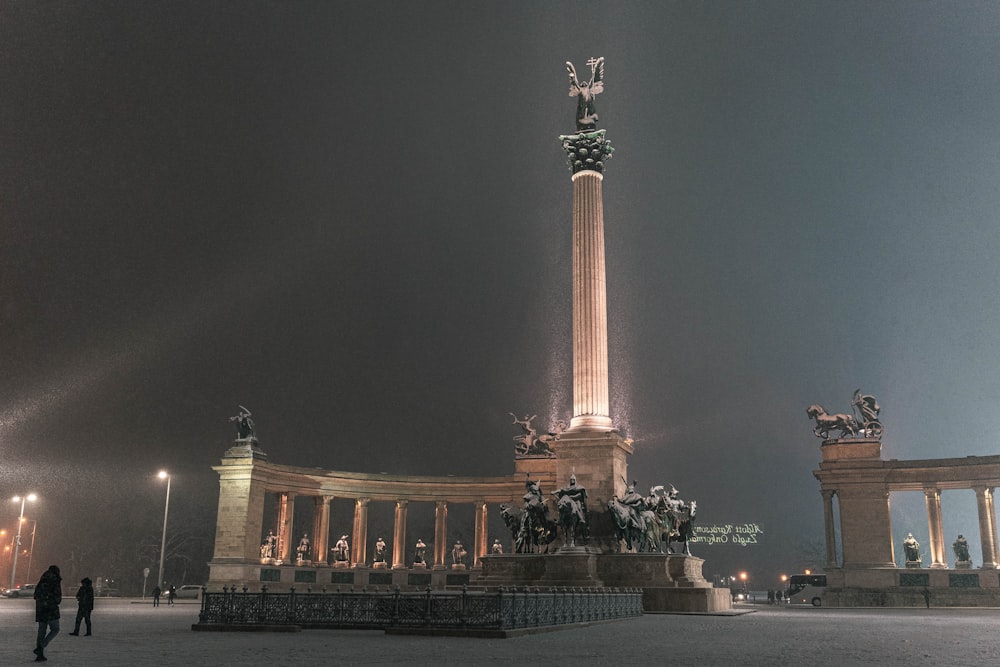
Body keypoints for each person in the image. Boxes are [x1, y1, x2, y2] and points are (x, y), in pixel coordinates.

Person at [33, 564, 62, 662]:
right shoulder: (55, 580)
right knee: (55, 629)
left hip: (41, 609)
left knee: (41, 631)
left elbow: (36, 594)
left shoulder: (42, 580)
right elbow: (58, 598)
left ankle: (39, 655)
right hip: (51, 609)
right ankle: (41, 647)